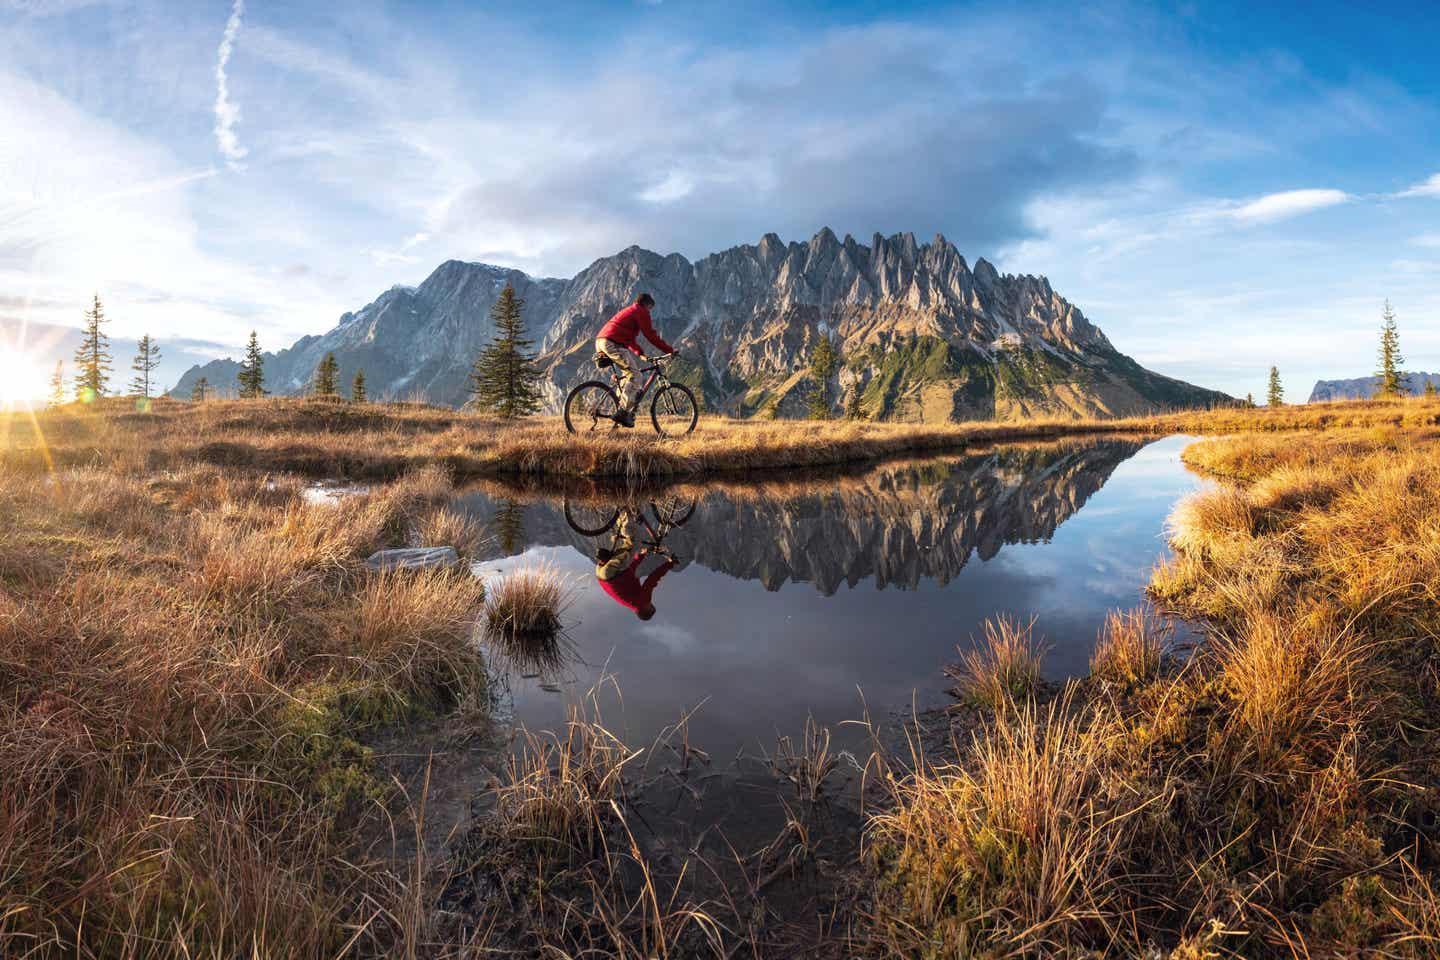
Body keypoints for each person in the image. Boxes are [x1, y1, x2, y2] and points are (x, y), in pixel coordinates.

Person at [595, 292, 675, 427]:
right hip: (612, 342)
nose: (649, 312)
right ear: (647, 305)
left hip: (602, 341)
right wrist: (669, 350)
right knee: (636, 376)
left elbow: (630, 340)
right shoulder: (641, 311)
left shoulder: (630, 311)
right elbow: (650, 334)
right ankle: (623, 413)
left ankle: (620, 406)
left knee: (628, 377)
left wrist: (641, 354)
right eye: (650, 309)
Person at [594, 510, 674, 621]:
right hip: (603, 574)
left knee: (634, 541)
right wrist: (641, 555)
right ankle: (621, 513)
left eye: (650, 605)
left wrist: (669, 564)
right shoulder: (632, 601)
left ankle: (625, 513)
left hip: (611, 574)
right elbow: (629, 571)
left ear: (646, 609)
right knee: (627, 547)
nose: (650, 602)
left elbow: (652, 580)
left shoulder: (642, 602)